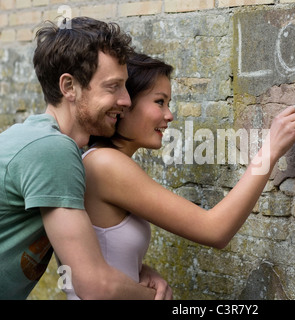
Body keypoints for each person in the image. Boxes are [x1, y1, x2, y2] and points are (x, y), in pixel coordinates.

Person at [63, 52, 295, 298]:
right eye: (160, 102)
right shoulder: (106, 164)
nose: (169, 115)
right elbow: (215, 230)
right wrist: (270, 151)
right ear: (125, 103)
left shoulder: (99, 160)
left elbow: (104, 250)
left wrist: (141, 271)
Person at [0, 17, 171, 300]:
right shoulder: (52, 150)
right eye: (113, 86)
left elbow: (76, 249)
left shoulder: (49, 143)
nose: (127, 100)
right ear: (69, 87)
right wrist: (152, 296)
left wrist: (140, 270)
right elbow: (93, 286)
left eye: (125, 86)